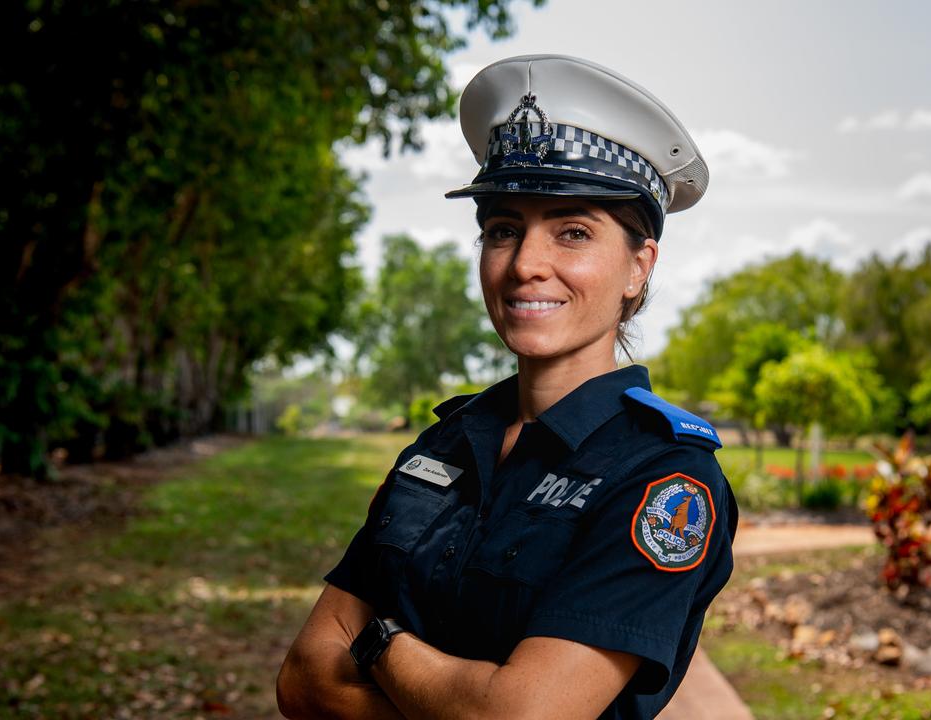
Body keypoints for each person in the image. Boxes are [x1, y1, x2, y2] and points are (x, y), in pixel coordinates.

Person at [277, 54, 737, 720]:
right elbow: (303, 680)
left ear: (639, 266)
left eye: (572, 232)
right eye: (503, 230)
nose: (526, 264)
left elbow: (519, 717)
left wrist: (378, 641)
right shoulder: (445, 444)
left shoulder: (663, 477)